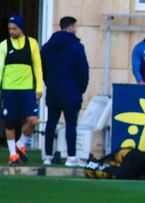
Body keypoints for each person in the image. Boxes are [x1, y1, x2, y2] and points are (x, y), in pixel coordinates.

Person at [41, 16, 89, 166]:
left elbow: (43, 70)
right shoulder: (77, 47)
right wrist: (80, 89)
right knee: (71, 125)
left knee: (51, 124)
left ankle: (47, 156)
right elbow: (83, 71)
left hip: (54, 90)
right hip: (72, 92)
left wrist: (49, 83)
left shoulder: (47, 47)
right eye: (75, 27)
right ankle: (71, 157)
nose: (76, 30)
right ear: (70, 28)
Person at [0, 15, 43, 165]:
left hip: (27, 89)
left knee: (33, 120)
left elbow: (37, 66)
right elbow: (0, 68)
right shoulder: (4, 45)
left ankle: (21, 143)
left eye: (14, 28)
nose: (11, 31)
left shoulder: (32, 44)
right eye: (9, 29)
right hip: (9, 89)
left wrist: (38, 87)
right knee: (10, 123)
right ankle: (13, 154)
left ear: (21, 28)